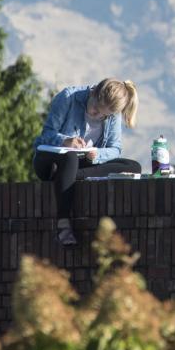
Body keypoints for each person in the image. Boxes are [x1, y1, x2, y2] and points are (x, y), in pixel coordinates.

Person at [32, 78, 142, 247]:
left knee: (133, 166)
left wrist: (97, 154)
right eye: (96, 108)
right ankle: (63, 226)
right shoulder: (68, 97)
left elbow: (115, 149)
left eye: (102, 115)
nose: (95, 114)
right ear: (93, 92)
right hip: (52, 158)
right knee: (69, 157)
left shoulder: (112, 115)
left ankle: (71, 176)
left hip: (82, 161)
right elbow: (46, 134)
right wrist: (66, 141)